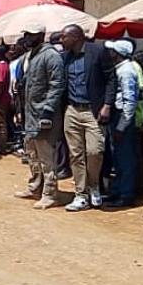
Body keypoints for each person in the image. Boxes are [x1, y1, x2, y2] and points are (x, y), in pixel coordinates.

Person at [60, 24, 116, 212]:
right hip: (72, 110)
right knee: (75, 154)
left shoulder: (98, 51)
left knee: (95, 151)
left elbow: (111, 79)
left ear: (75, 37)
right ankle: (81, 194)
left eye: (64, 37)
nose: (61, 40)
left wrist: (107, 104)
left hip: (93, 111)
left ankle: (94, 186)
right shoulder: (65, 57)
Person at [15, 24, 67, 209]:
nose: (27, 38)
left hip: (44, 115)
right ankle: (35, 186)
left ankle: (50, 193)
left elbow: (57, 85)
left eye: (31, 35)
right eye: (26, 34)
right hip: (30, 114)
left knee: (46, 157)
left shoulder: (51, 56)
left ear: (41, 35)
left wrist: (48, 111)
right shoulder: (31, 56)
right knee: (32, 153)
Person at [103, 40, 140, 207]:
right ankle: (117, 190)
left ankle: (126, 194)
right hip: (116, 118)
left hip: (122, 119)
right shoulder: (118, 69)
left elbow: (129, 101)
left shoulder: (126, 71)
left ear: (117, 54)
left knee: (125, 158)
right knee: (117, 156)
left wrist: (121, 127)